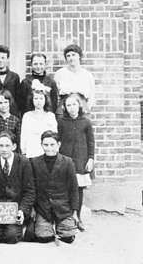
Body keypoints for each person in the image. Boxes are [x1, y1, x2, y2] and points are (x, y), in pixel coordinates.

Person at [0, 131, 35, 243]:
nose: (4, 149)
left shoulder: (24, 162)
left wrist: (22, 210)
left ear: (14, 146)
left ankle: (25, 225)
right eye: (1, 146)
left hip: (15, 209)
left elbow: (30, 191)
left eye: (7, 146)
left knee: (11, 237)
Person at [30, 130, 79, 244]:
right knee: (44, 238)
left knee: (68, 238)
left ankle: (61, 226)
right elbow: (31, 188)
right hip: (43, 207)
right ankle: (47, 227)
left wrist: (75, 212)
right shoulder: (34, 162)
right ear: (41, 145)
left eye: (52, 144)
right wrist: (33, 208)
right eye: (45, 145)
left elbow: (73, 188)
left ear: (59, 144)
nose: (49, 148)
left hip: (62, 207)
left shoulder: (68, 162)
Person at [58, 93, 94, 231]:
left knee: (78, 190)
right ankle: (66, 218)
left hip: (81, 160)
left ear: (79, 105)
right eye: (68, 105)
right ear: (65, 108)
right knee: (66, 188)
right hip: (66, 160)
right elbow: (58, 141)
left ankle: (77, 216)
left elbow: (91, 142)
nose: (72, 108)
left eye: (74, 104)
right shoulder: (61, 122)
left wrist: (90, 158)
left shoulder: (85, 122)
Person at [54, 44, 95, 117]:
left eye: (73, 55)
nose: (71, 58)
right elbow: (55, 94)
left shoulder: (87, 75)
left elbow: (92, 95)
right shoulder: (60, 74)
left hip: (82, 107)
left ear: (79, 56)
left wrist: (87, 108)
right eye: (68, 56)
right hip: (64, 108)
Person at [20, 90, 57, 158]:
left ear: (45, 100)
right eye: (36, 98)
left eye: (41, 98)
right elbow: (23, 135)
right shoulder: (27, 116)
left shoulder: (50, 116)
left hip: (47, 150)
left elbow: (55, 135)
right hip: (32, 150)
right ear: (32, 100)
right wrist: (23, 150)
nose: (38, 101)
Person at [0, 90, 21, 158]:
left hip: (11, 153)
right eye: (0, 103)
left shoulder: (15, 120)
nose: (3, 105)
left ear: (10, 103)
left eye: (6, 102)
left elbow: (18, 139)